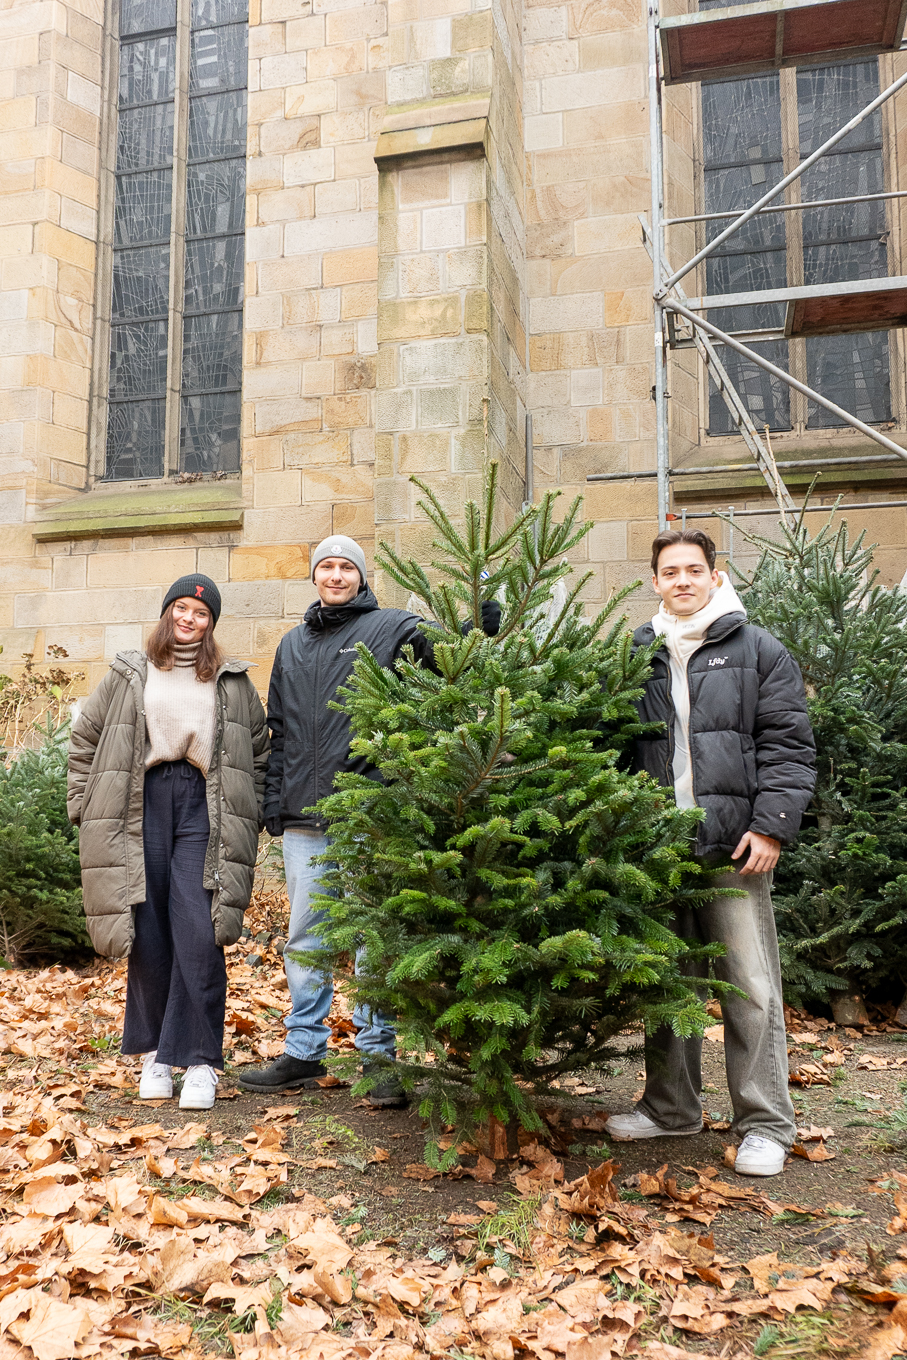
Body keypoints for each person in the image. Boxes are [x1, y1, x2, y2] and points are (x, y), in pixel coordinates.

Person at [239, 534, 500, 1105]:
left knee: (373, 939)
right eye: (326, 567)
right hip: (304, 819)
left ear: (361, 576)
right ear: (314, 576)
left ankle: (379, 1056)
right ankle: (304, 1051)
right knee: (306, 937)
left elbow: (447, 657)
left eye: (346, 567)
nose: (335, 575)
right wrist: (274, 802)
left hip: (369, 812)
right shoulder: (292, 644)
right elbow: (279, 729)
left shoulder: (391, 628)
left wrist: (476, 627)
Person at [605, 529, 816, 1177]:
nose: (682, 581)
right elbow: (609, 744)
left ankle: (766, 1124)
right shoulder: (636, 654)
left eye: (693, 570)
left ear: (714, 575)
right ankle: (671, 1108)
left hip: (732, 847)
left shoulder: (757, 649)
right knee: (668, 985)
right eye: (670, 572)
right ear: (654, 581)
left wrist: (772, 826)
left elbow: (787, 744)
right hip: (657, 848)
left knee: (749, 985)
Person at [68, 574, 269, 1111]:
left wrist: (251, 812)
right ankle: (156, 1053)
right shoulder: (129, 673)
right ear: (167, 613)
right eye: (181, 608)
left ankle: (200, 1060)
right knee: (149, 929)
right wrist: (81, 805)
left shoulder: (231, 681)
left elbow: (258, 752)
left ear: (211, 623)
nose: (189, 619)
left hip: (204, 805)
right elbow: (85, 738)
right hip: (141, 802)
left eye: (201, 613)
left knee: (200, 929)